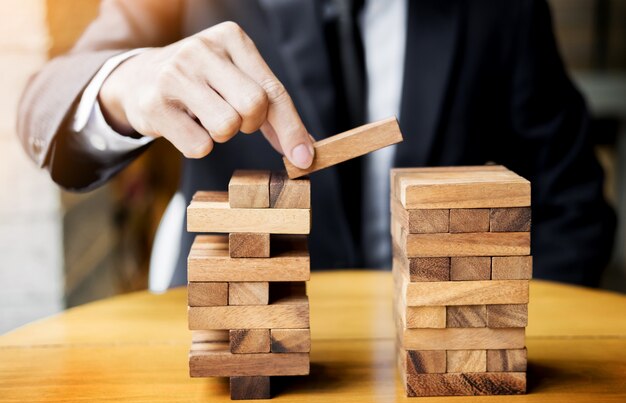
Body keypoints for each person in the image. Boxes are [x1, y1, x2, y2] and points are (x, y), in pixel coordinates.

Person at [17, 0, 615, 287]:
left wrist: (492, 329)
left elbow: (574, 205)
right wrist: (124, 83)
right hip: (238, 331)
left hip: (439, 362)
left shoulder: (502, 11)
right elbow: (43, 100)